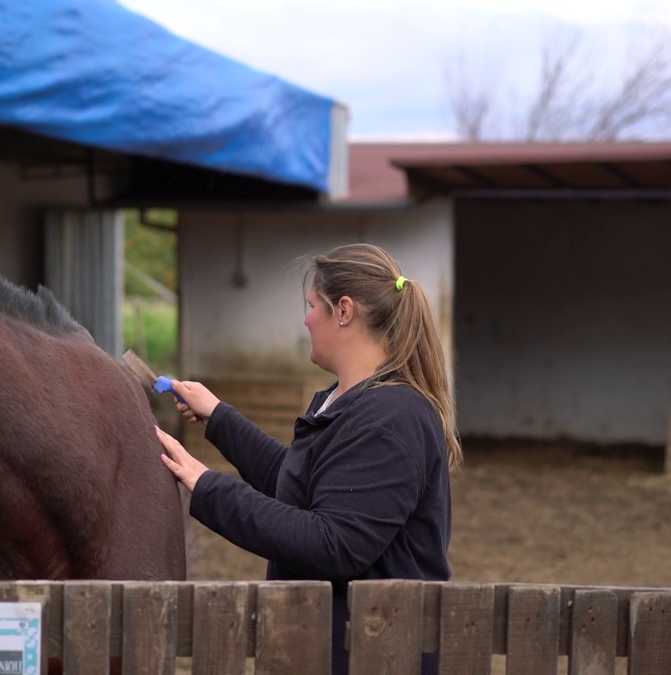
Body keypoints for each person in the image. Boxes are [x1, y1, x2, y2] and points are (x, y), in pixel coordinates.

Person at [157, 242, 461, 675]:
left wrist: (209, 486)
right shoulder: (345, 401)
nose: (306, 318)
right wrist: (219, 418)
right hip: (330, 648)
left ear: (344, 311)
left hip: (373, 657)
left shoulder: (392, 417)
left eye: (312, 305)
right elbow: (298, 485)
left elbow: (332, 542)